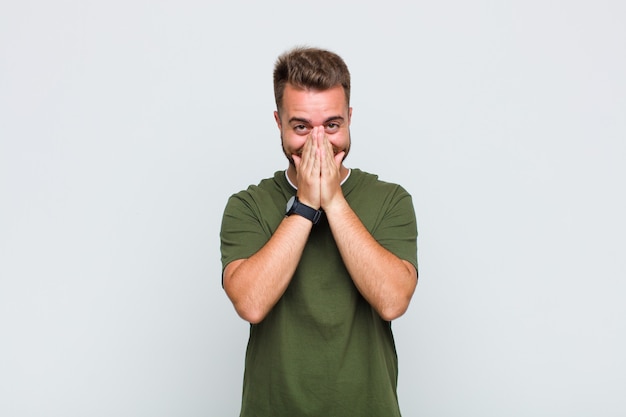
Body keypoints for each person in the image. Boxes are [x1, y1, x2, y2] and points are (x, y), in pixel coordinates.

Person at [220, 46, 418, 417]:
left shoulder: (391, 200)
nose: (318, 142)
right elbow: (250, 303)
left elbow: (393, 301)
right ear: (278, 123)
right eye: (301, 127)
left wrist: (335, 202)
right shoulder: (247, 205)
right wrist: (306, 205)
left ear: (349, 118)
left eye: (331, 125)